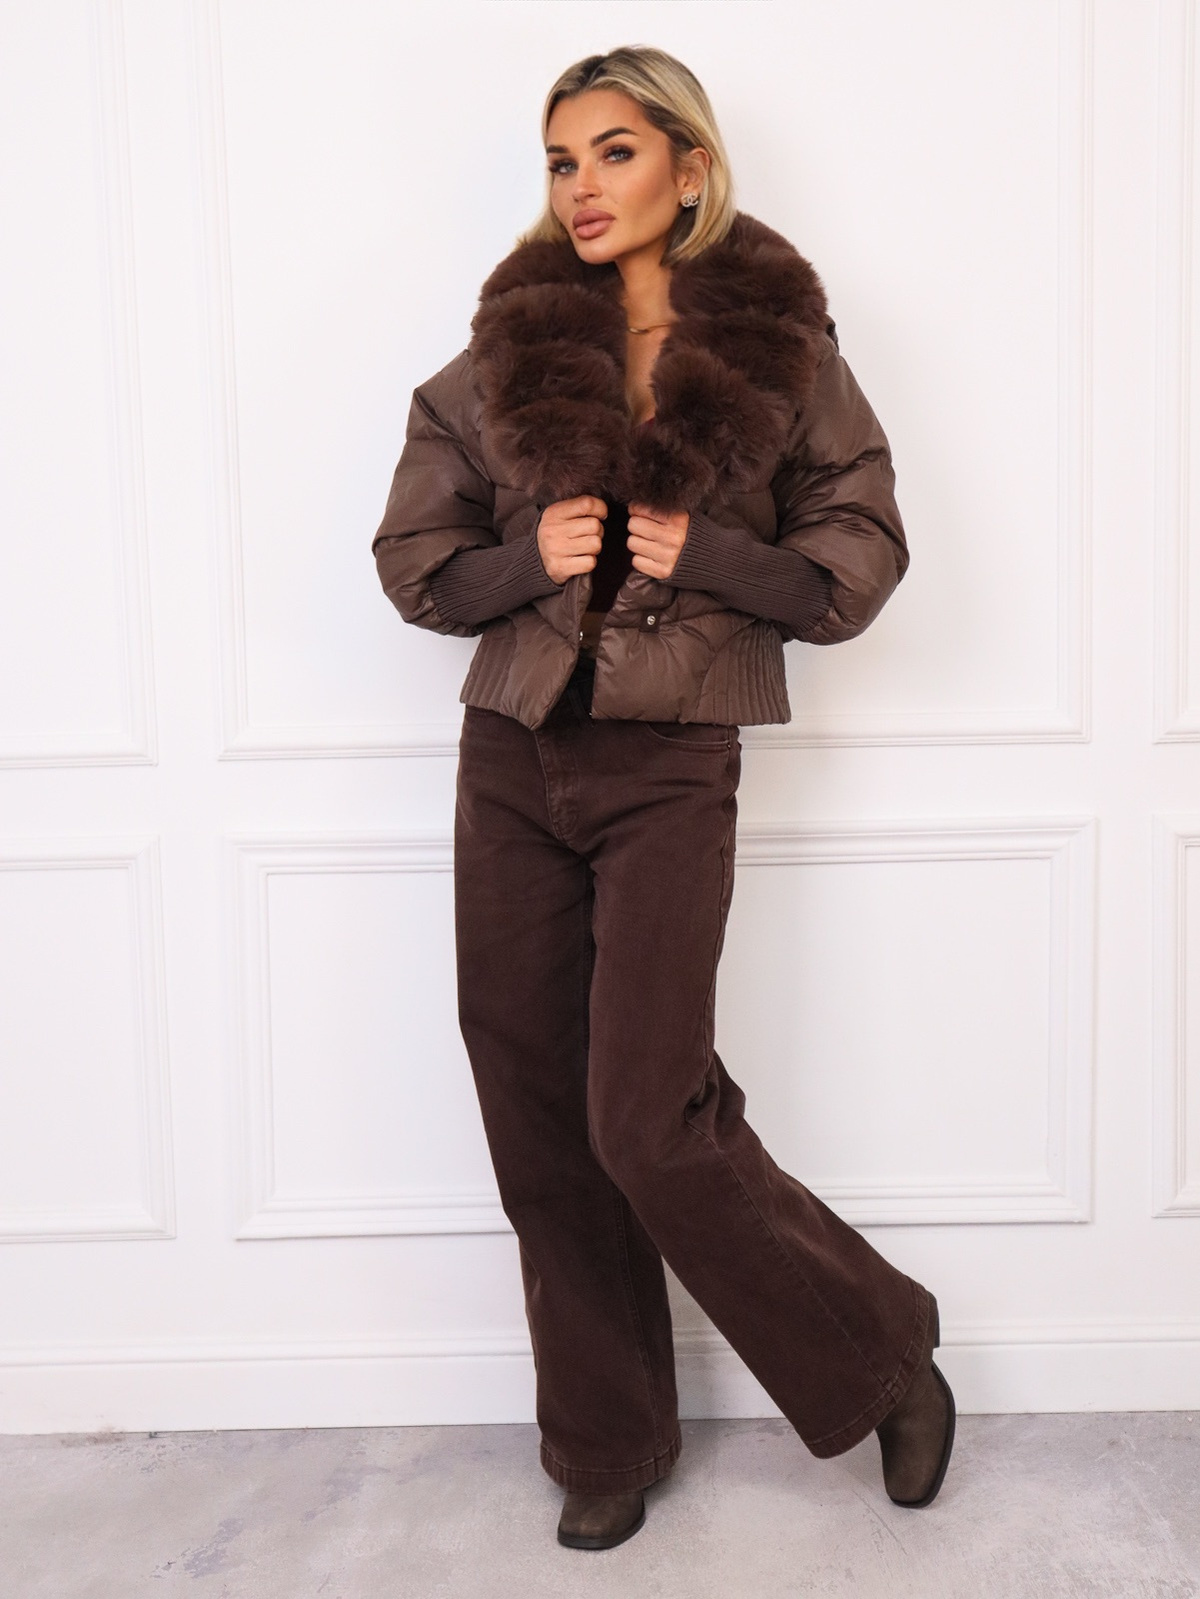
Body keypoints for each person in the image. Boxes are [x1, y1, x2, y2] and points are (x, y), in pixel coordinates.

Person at [372, 45, 955, 1552]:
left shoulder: (784, 357)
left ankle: (885, 1356)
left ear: (689, 166)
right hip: (511, 758)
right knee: (535, 1111)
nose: (582, 186)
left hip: (671, 762)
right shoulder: (500, 357)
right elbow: (416, 565)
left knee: (648, 1118)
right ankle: (607, 1437)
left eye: (614, 153)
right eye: (561, 161)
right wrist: (530, 559)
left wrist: (714, 555)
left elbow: (856, 565)